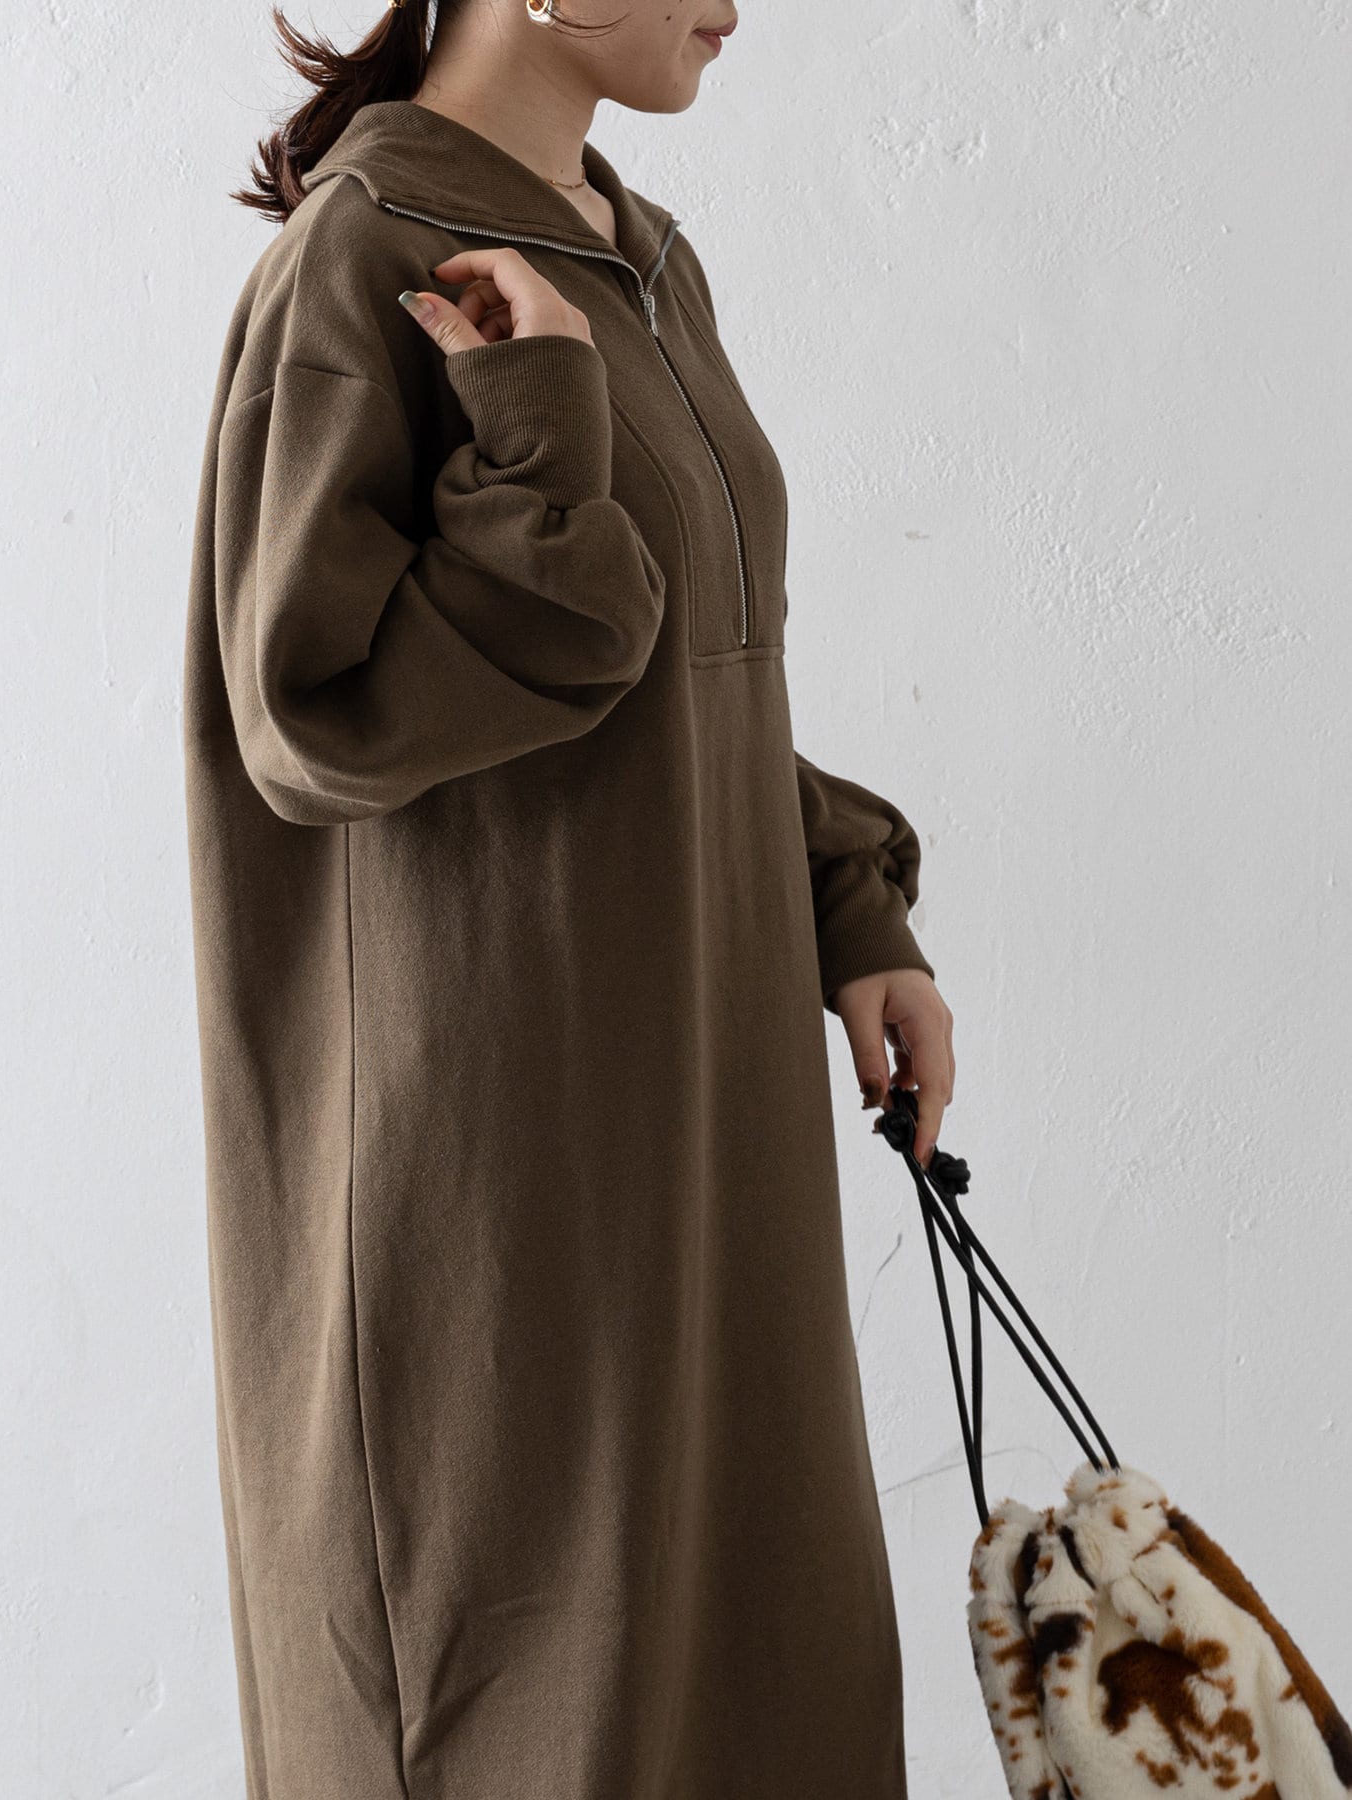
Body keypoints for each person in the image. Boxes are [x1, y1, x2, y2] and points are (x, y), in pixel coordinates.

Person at [181, 0, 957, 1795]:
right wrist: (536, 433)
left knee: (764, 1690)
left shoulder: (637, 253)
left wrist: (846, 907)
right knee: (544, 1717)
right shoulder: (366, 256)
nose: (739, 7)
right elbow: (307, 717)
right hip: (501, 1192)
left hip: (702, 1144)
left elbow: (695, 680)